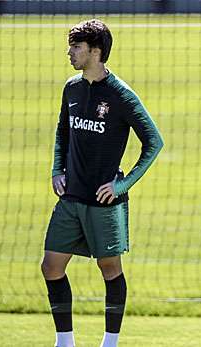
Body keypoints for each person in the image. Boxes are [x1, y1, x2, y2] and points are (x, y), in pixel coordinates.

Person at [40, 19, 163, 347]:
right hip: (71, 197)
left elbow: (154, 142)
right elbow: (62, 131)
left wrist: (122, 187)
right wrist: (56, 169)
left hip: (105, 202)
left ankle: (110, 342)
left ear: (96, 52)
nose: (70, 53)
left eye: (76, 47)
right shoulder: (72, 88)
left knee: (110, 270)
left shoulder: (121, 95)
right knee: (51, 266)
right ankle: (64, 341)